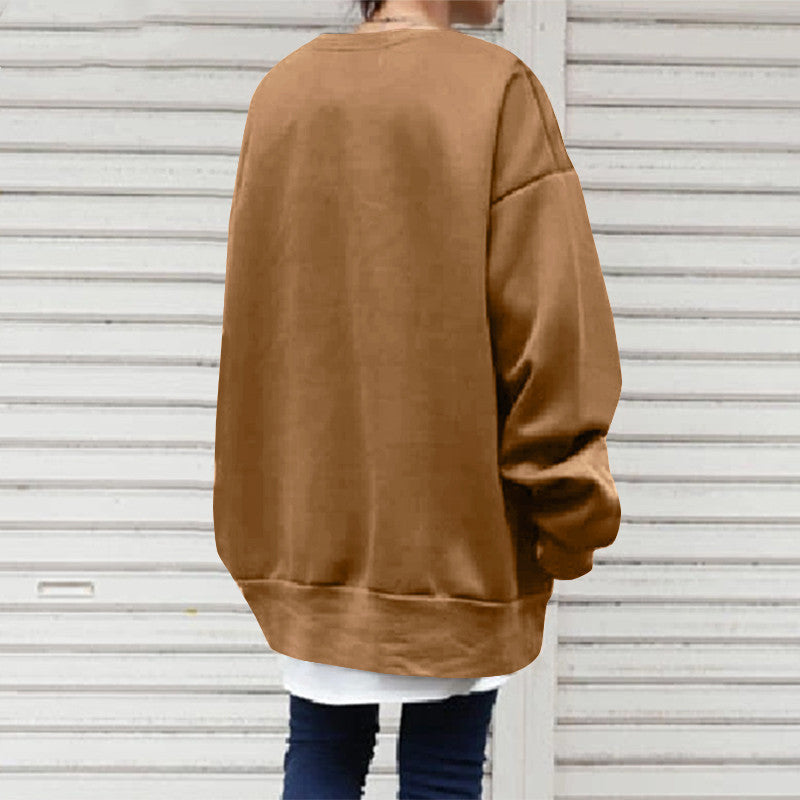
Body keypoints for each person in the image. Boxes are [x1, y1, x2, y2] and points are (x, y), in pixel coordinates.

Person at [213, 0, 623, 797]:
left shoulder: (283, 92)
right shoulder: (496, 89)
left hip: (308, 533)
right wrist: (569, 508)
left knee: (321, 748)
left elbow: (259, 327)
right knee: (442, 766)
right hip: (455, 539)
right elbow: (551, 327)